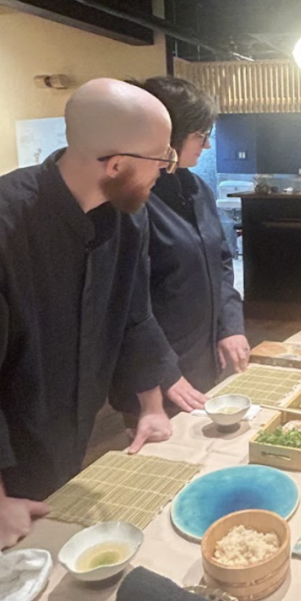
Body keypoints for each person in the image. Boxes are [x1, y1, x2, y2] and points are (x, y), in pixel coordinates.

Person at [0, 78, 210, 552]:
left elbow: (133, 316)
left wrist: (150, 407)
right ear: (117, 164)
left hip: (67, 432)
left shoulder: (128, 216)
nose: (167, 170)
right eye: (162, 158)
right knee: (6, 570)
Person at [110, 76, 248, 417]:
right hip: (154, 370)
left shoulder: (196, 187)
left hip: (203, 357)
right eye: (200, 135)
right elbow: (125, 302)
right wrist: (164, 370)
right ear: (168, 133)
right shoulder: (131, 197)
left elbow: (221, 261)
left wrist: (229, 327)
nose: (208, 145)